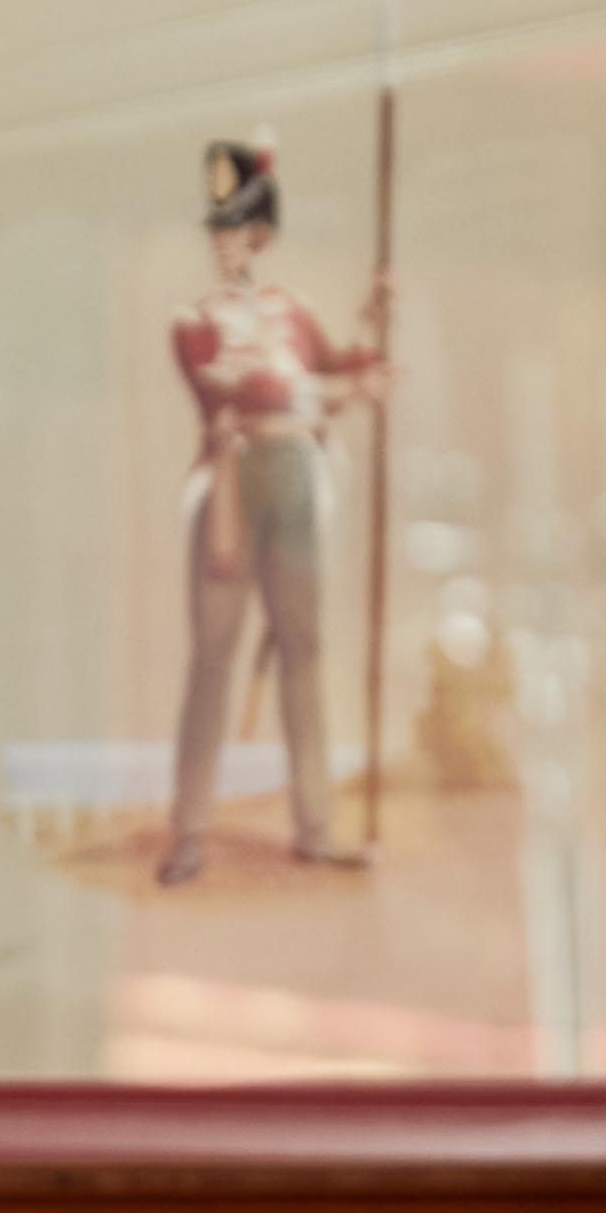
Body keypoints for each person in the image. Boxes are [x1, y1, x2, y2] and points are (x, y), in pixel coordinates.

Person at [161, 134, 378, 886]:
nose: (225, 243)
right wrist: (337, 389)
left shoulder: (294, 312)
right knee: (213, 655)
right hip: (232, 481)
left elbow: (341, 367)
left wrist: (372, 327)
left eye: (239, 228)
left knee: (304, 650)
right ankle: (189, 833)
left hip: (294, 479)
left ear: (262, 234)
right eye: (218, 229)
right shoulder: (194, 321)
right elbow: (241, 389)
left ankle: (315, 826)